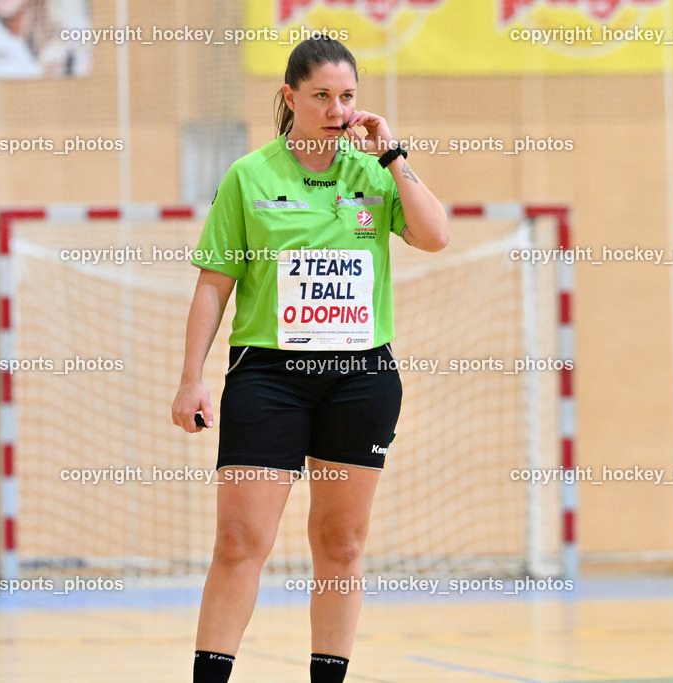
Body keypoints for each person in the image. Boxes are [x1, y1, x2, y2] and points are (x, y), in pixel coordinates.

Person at [171, 35, 449, 683]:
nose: (336, 109)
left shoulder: (373, 173)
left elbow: (435, 235)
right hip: (269, 378)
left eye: (347, 96)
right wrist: (190, 379)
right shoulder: (250, 176)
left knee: (341, 543)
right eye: (321, 95)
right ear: (291, 97)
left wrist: (392, 154)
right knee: (240, 540)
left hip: (361, 379)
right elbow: (214, 285)